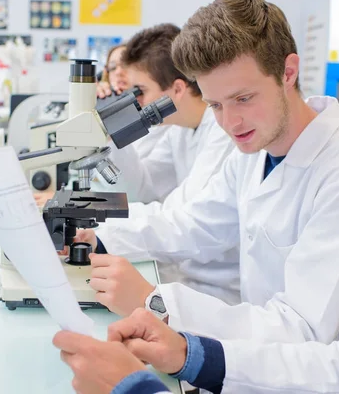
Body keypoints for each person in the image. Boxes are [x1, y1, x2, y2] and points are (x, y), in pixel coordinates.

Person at [54, 0, 339, 392]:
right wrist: (99, 238)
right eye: (215, 104)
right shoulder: (255, 149)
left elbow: (302, 330)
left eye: (243, 98)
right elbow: (193, 223)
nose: (230, 122)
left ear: (288, 72)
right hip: (264, 364)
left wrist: (156, 300)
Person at [92, 24, 240, 303]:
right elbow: (143, 190)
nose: (138, 102)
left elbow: (185, 219)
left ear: (177, 89)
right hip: (182, 273)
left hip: (216, 291)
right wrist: (112, 132)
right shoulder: (179, 129)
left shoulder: (223, 133)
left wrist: (100, 234)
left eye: (142, 91)